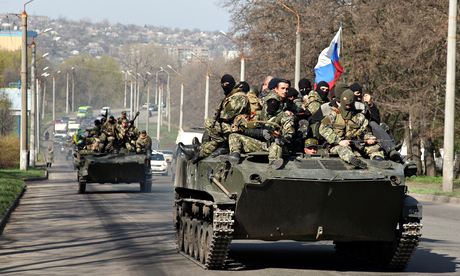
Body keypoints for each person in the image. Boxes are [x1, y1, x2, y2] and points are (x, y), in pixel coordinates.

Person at [179, 74, 250, 163]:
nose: (224, 87)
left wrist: (220, 119)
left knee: (210, 124)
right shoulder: (230, 97)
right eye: (223, 85)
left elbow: (228, 115)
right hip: (229, 127)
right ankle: (198, 151)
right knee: (212, 131)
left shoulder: (240, 97)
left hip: (237, 128)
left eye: (227, 84)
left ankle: (200, 150)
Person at [319, 89, 384, 168]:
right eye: (346, 105)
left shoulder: (360, 117)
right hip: (337, 145)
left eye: (350, 105)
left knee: (375, 147)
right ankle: (353, 160)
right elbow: (322, 128)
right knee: (343, 149)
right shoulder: (333, 115)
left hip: (356, 144)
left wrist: (369, 138)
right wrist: (339, 141)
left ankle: (378, 161)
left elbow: (365, 131)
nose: (348, 107)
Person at [228, 93, 294, 169]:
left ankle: (273, 163)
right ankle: (235, 156)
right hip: (261, 144)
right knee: (234, 136)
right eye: (270, 102)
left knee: (276, 144)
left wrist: (280, 137)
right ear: (266, 103)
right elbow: (248, 126)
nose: (272, 104)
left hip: (278, 145)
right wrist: (261, 132)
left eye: (275, 102)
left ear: (279, 104)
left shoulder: (285, 116)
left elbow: (289, 134)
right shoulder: (259, 114)